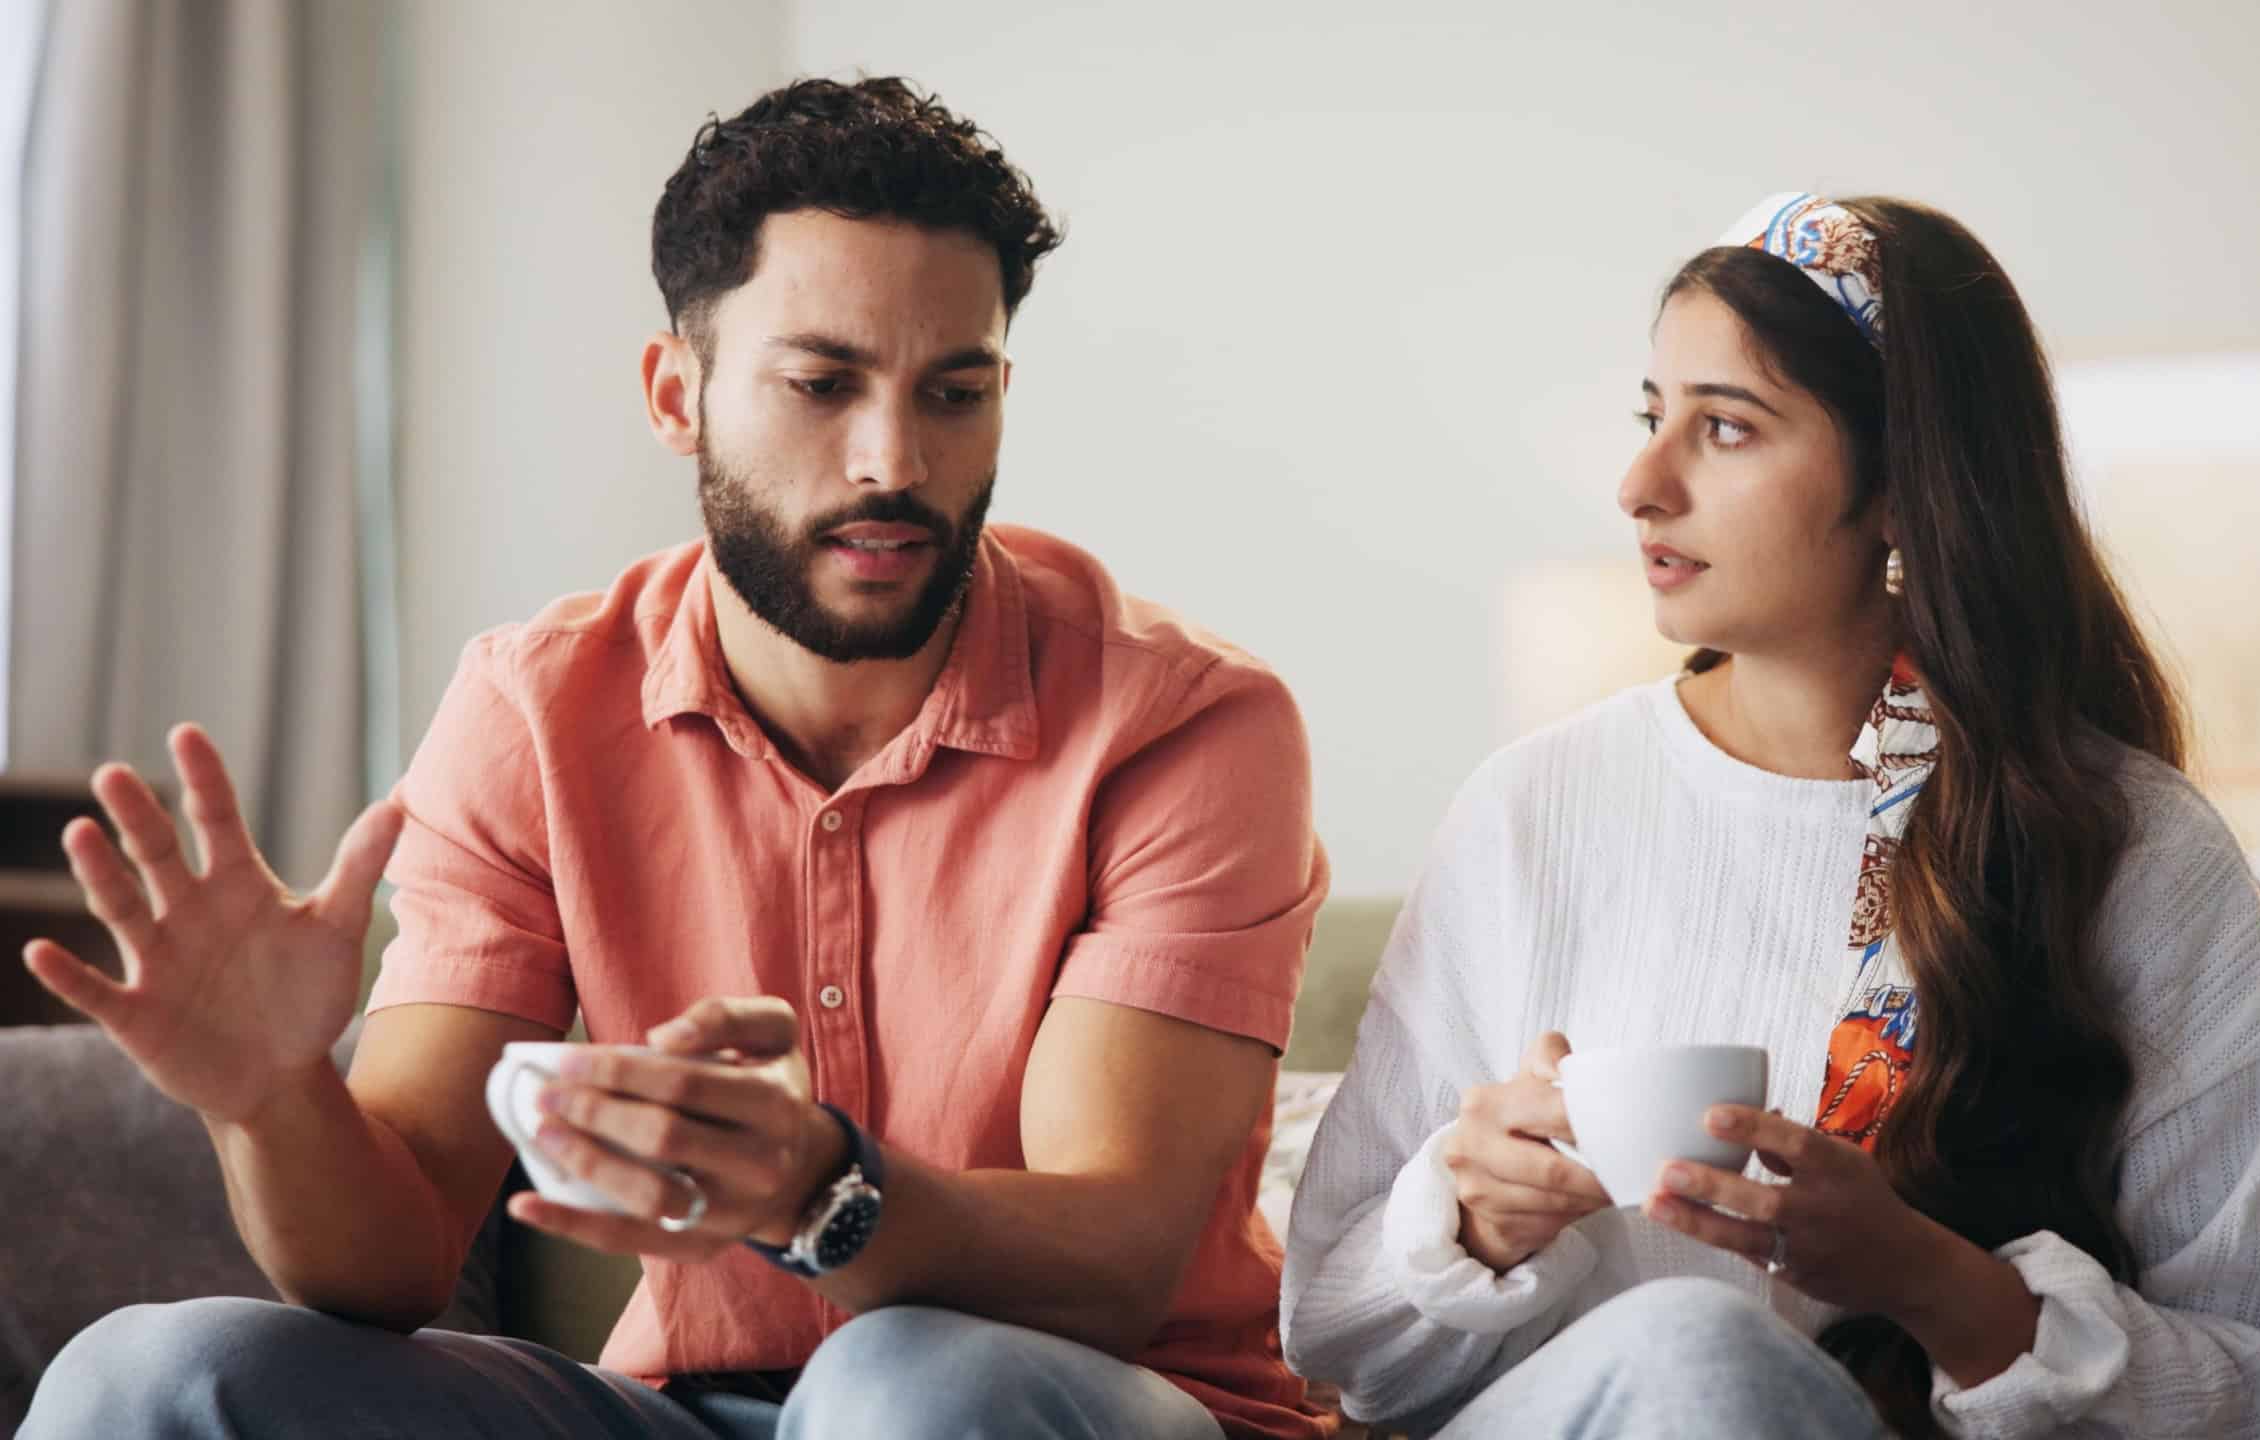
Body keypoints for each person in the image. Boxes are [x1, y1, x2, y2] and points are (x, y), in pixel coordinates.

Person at [23, 76, 1332, 1440]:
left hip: (1076, 1404)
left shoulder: (1184, 724)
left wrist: (817, 1186)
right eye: (822, 383)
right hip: (689, 1413)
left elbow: (1112, 1267)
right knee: (156, 1379)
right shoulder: (535, 708)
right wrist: (270, 1098)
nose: (895, 459)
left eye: (955, 391)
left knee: (915, 1387)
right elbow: (394, 1261)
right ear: (675, 392)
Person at [1278, 193, 2260, 1439]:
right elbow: (1330, 1336)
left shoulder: (2134, 850)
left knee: (1704, 1350)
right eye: (1651, 414)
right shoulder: (1532, 810)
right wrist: (1465, 1221)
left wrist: (1928, 1281)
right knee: (1685, 1347)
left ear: (1904, 491)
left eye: (1725, 428)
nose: (1640, 484)